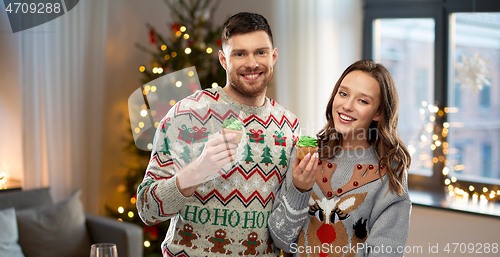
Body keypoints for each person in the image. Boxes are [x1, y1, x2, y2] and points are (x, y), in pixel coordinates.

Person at [136, 12, 301, 256]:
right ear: (224, 60)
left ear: (273, 56)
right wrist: (198, 170)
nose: (252, 63)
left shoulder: (289, 125)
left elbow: (285, 224)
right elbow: (147, 209)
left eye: (261, 52)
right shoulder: (187, 114)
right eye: (240, 53)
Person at [268, 60, 412, 257]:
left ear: (378, 112)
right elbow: (281, 240)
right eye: (343, 94)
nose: (347, 105)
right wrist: (299, 190)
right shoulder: (304, 154)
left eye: (363, 101)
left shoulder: (390, 173)